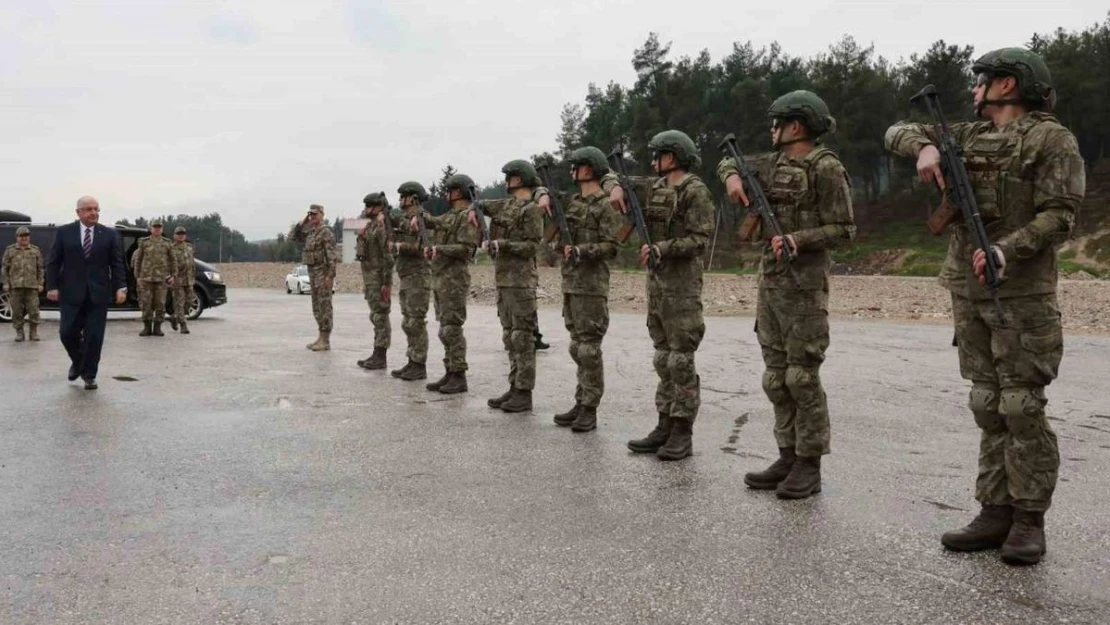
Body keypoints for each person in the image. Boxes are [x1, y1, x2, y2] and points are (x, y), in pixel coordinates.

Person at [886, 48, 1084, 566]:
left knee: (1020, 406)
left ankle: (1027, 519)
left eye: (985, 81)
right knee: (986, 402)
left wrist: (1005, 249)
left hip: (1021, 292)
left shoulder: (1051, 138)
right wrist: (923, 149)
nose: (976, 89)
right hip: (967, 288)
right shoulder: (967, 135)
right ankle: (993, 510)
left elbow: (1060, 216)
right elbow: (896, 130)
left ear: (1010, 85)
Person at [718, 90, 856, 499]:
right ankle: (787, 454)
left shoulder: (826, 168)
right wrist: (731, 176)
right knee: (776, 378)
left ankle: (809, 464)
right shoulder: (773, 162)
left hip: (804, 291)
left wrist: (800, 238)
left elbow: (845, 230)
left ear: (795, 126)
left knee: (801, 377)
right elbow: (728, 160)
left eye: (777, 123)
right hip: (772, 287)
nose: (771, 130)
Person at [613, 130, 715, 461]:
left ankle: (682, 432)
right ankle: (664, 424)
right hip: (656, 285)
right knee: (662, 358)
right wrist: (614, 186)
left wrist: (663, 248)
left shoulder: (695, 191)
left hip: (682, 287)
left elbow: (700, 240)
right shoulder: (655, 188)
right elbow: (612, 181)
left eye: (658, 154)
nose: (653, 160)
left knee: (681, 360)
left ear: (671, 157)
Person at [549, 147, 622, 432]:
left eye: (576, 167)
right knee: (577, 348)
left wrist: (582, 250)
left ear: (589, 170)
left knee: (590, 349)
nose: (572, 171)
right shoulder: (573, 204)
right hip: (571, 284)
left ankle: (590, 409)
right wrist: (562, 247)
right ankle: (580, 401)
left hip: (591, 287)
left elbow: (611, 246)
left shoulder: (604, 204)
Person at [478, 160, 544, 413]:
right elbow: (481, 205)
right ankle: (514, 386)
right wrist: (475, 210)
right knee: (510, 337)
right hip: (504, 280)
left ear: (521, 179)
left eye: (511, 176)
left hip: (521, 283)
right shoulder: (507, 205)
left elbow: (531, 246)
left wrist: (502, 244)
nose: (506, 180)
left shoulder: (531, 209)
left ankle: (524, 393)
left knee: (523, 338)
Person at [45, 196, 128, 390]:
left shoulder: (109, 235)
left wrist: (121, 287)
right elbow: (53, 261)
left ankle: (89, 375)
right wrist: (52, 286)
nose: (94, 213)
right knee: (66, 333)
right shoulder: (65, 232)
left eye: (96, 209)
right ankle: (78, 361)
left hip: (98, 294)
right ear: (78, 212)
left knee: (95, 337)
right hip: (71, 293)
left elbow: (117, 264)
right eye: (89, 209)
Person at [420, 174, 479, 394]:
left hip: (454, 279)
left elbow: (467, 249)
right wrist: (422, 215)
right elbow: (436, 222)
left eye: (450, 190)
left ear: (459, 192)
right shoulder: (451, 215)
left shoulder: (466, 217)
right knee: (445, 330)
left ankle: (459, 375)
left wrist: (439, 250)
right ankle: (450, 371)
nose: (446, 194)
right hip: (442, 278)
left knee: (452, 328)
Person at [390, 182, 432, 381]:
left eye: (404, 196)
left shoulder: (423, 218)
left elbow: (423, 246)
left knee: (416, 321)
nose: (401, 200)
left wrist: (400, 246)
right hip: (406, 275)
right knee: (408, 322)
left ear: (413, 198)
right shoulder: (405, 219)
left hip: (418, 275)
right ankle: (411, 360)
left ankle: (419, 364)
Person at [290, 204, 338, 351]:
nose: (313, 217)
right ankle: (320, 336)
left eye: (315, 214)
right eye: (310, 215)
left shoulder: (326, 232)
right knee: (316, 307)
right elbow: (293, 237)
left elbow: (331, 256)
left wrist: (330, 276)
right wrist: (303, 222)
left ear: (322, 214)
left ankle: (326, 340)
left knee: (325, 307)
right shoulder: (310, 233)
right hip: (312, 273)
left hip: (322, 273)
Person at [356, 192, 394, 370]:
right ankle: (376, 352)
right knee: (375, 316)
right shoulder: (371, 226)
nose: (366, 209)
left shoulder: (381, 227)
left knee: (380, 316)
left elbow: (388, 257)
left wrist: (387, 283)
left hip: (379, 279)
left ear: (378, 207)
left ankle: (381, 355)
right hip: (370, 279)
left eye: (369, 206)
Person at [132, 219, 177, 337]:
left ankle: (157, 328)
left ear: (162, 229)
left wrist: (173, 276)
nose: (157, 229)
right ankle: (147, 327)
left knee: (160, 304)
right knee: (146, 303)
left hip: (161, 279)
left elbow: (173, 260)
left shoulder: (167, 243)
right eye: (155, 227)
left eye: (159, 227)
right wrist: (137, 276)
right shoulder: (144, 242)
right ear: (151, 228)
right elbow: (138, 260)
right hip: (146, 279)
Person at [2, 226, 45, 342]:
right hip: (15, 286)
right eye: (21, 236)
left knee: (34, 310)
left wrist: (40, 283)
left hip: (32, 286)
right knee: (16, 311)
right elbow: (4, 268)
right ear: (17, 237)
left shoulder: (35, 250)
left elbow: (40, 268)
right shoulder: (10, 250)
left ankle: (34, 332)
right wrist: (5, 282)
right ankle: (19, 333)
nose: (24, 238)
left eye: (26, 236)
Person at [169, 226, 196, 334]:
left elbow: (192, 264)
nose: (181, 236)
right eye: (178, 234)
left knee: (189, 302)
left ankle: (174, 317)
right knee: (179, 303)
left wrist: (193, 277)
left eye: (183, 234)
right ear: (174, 235)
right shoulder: (171, 248)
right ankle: (183, 324)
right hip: (177, 280)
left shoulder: (189, 247)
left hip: (189, 279)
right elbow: (169, 264)